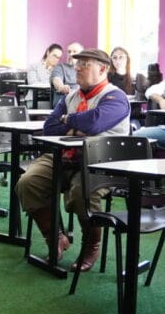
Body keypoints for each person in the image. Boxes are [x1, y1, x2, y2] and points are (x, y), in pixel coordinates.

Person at [15, 49, 130, 272]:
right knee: (28, 183)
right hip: (64, 156)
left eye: (84, 64)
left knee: (81, 192)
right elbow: (49, 127)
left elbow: (94, 122)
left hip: (100, 163)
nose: (77, 68)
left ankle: (91, 245)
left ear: (103, 69)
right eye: (77, 64)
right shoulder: (71, 96)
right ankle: (55, 237)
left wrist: (67, 120)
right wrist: (76, 128)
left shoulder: (116, 97)